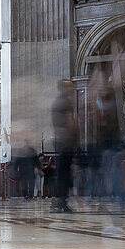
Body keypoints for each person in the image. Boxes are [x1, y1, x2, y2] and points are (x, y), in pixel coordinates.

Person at [52, 79, 78, 213]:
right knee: (64, 174)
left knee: (63, 173)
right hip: (65, 142)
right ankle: (61, 201)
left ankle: (60, 201)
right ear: (62, 88)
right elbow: (69, 122)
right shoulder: (64, 102)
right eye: (69, 87)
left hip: (61, 142)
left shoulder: (58, 102)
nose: (72, 89)